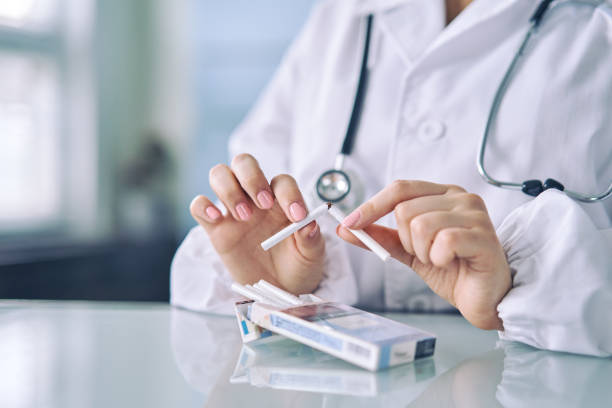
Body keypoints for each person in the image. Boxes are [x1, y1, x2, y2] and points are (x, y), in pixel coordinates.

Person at [170, 0, 612, 356]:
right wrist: (284, 287)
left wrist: (516, 291)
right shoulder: (345, 14)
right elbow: (239, 247)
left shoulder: (596, 28)